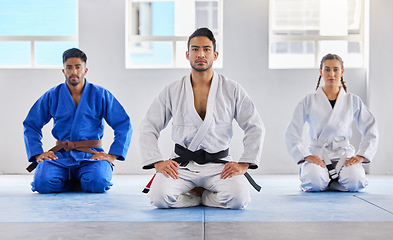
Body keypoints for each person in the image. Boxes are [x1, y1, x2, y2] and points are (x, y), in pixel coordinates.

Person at [139, 28, 265, 209]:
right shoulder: (172, 90)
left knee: (239, 199)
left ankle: (204, 197)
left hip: (219, 166)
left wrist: (245, 163)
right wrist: (157, 161)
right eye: (195, 49)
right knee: (159, 197)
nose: (200, 54)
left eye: (206, 49)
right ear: (187, 54)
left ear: (215, 54)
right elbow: (148, 126)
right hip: (181, 166)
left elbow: (255, 126)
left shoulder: (232, 89)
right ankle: (193, 198)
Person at [23, 48, 132, 194]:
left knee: (98, 183)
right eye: (69, 67)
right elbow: (31, 124)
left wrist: (112, 155)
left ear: (85, 70)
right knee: (42, 184)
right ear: (63, 71)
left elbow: (123, 124)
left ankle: (75, 181)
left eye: (77, 67)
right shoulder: (52, 95)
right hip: (60, 155)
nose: (73, 72)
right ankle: (76, 183)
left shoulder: (100, 94)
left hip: (91, 155)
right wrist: (37, 154)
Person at [285, 53, 378, 192]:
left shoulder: (352, 100)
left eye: (335, 69)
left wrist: (362, 155)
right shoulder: (308, 100)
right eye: (327, 69)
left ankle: (334, 181)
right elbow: (292, 131)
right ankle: (327, 180)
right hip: (318, 153)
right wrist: (306, 155)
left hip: (343, 154)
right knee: (313, 182)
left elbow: (370, 127)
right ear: (321, 71)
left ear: (342, 72)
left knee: (355, 182)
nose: (331, 74)